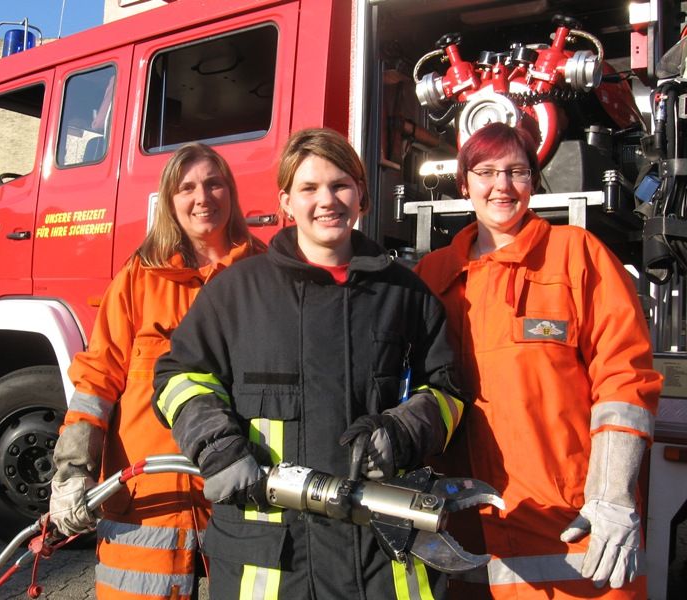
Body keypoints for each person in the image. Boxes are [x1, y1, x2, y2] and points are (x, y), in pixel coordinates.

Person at [153, 127, 466, 600]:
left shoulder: (406, 294)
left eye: (340, 185)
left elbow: (447, 390)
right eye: (309, 188)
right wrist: (217, 446)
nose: (328, 200)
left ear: (361, 194)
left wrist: (402, 431)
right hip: (273, 564)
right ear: (286, 201)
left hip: (381, 562)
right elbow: (178, 378)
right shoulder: (236, 293)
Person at [414, 122, 662, 599]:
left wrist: (611, 495)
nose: (502, 186)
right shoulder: (434, 273)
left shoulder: (576, 256)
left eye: (517, 172)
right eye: (486, 172)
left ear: (534, 181)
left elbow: (624, 379)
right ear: (464, 183)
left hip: (570, 522)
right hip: (462, 529)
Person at [47, 142, 265, 600]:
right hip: (148, 501)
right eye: (187, 188)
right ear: (169, 201)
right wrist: (71, 471)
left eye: (214, 183)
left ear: (232, 193)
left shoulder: (264, 274)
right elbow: (96, 381)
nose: (202, 197)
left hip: (241, 492)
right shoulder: (138, 278)